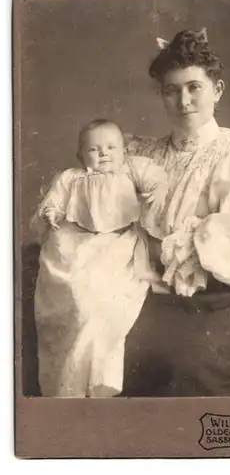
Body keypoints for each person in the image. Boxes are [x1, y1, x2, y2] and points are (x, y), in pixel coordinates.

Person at [123, 28, 230, 396]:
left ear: (218, 91)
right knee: (112, 335)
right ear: (162, 97)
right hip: (159, 289)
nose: (184, 101)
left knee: (184, 359)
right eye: (172, 90)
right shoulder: (145, 156)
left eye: (194, 87)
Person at [31, 119, 168, 398]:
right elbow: (53, 202)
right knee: (74, 290)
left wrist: (157, 189)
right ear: (81, 155)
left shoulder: (130, 169)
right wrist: (52, 213)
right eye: (94, 149)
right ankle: (66, 384)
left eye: (111, 147)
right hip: (77, 240)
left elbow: (158, 176)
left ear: (123, 151)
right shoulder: (72, 177)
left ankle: (98, 379)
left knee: (106, 299)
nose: (104, 153)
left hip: (117, 241)